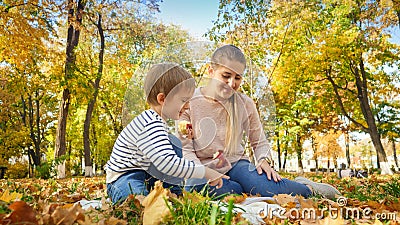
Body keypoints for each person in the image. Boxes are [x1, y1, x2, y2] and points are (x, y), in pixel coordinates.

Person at [178, 45, 340, 200]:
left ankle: (307, 188)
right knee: (211, 190)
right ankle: (242, 188)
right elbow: (186, 149)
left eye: (238, 78)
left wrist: (263, 159)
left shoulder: (245, 103)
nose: (232, 83)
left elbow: (259, 141)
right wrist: (202, 171)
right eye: (226, 76)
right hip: (203, 168)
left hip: (236, 164)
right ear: (211, 71)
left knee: (264, 188)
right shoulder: (188, 103)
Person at [105, 63, 228, 204]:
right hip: (124, 177)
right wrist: (205, 172)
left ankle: (174, 194)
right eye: (184, 100)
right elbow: (167, 163)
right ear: (162, 99)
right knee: (137, 203)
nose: (188, 106)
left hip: (147, 175)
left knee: (174, 142)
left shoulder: (159, 122)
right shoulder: (149, 124)